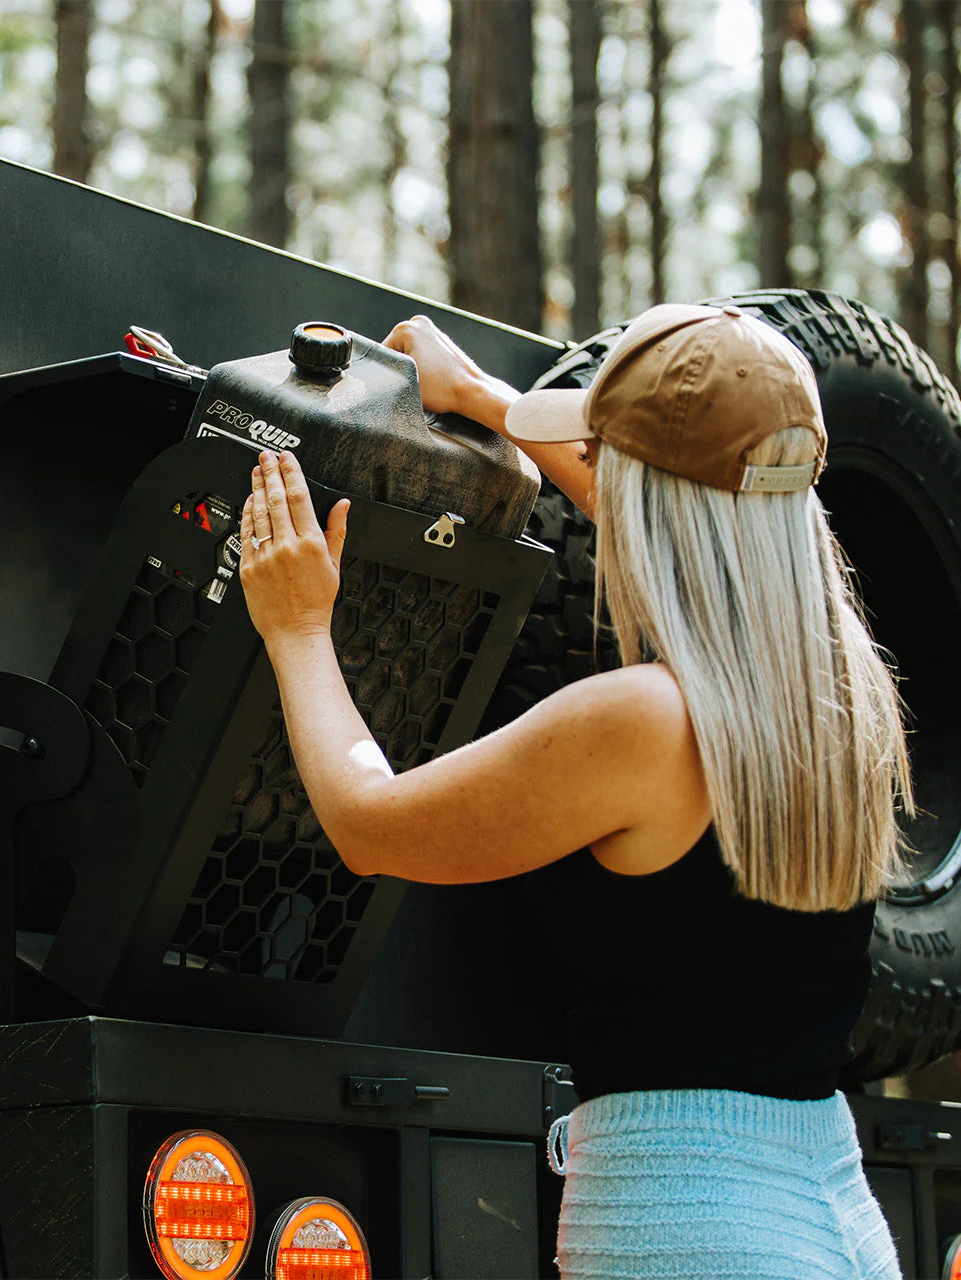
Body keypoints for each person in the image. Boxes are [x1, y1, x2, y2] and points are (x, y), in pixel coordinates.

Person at [236, 302, 912, 1279]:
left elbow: (367, 822)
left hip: (687, 1234)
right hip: (832, 1219)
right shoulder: (843, 694)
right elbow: (691, 524)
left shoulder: (640, 724)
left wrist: (297, 627)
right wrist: (487, 400)